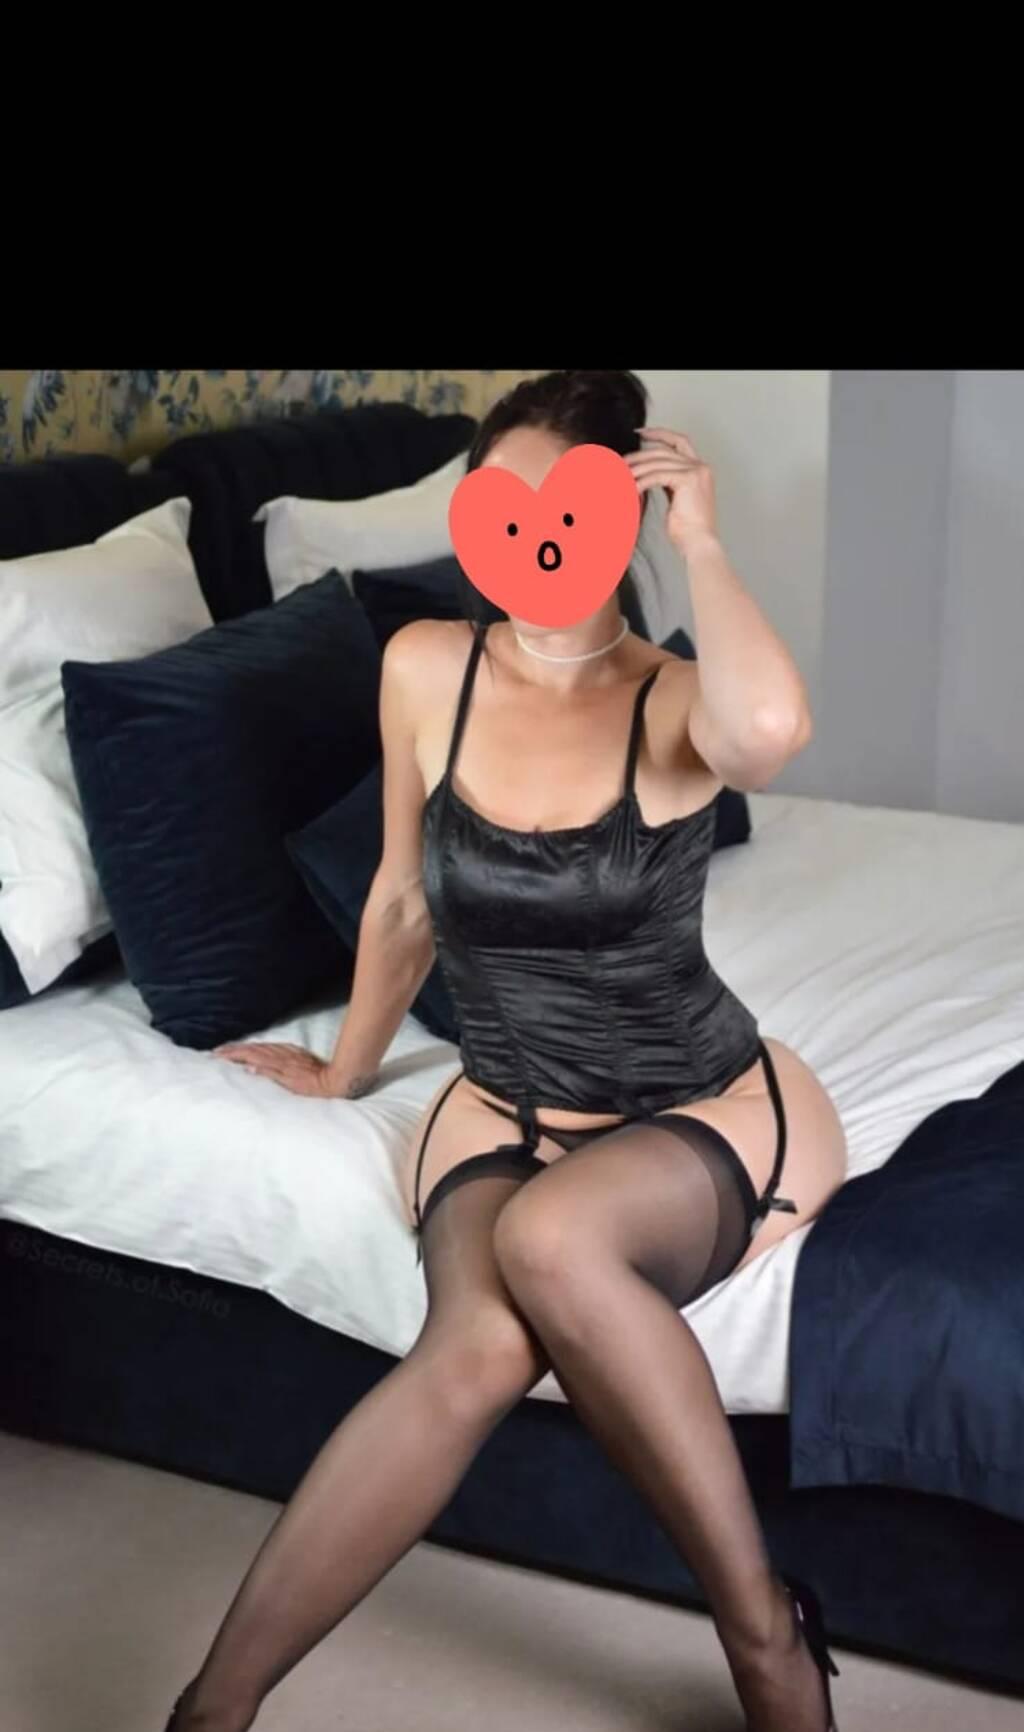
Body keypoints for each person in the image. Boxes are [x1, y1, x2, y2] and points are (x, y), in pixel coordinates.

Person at [170, 369, 848, 1732]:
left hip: (695, 1102)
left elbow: (771, 731)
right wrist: (348, 1068)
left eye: (565, 508)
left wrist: (704, 541)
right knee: (475, 1342)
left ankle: (766, 1641)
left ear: (623, 513)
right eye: (502, 506)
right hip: (506, 1104)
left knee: (551, 1241)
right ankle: (211, 1713)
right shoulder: (428, 668)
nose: (533, 536)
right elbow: (402, 899)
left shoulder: (671, 697)